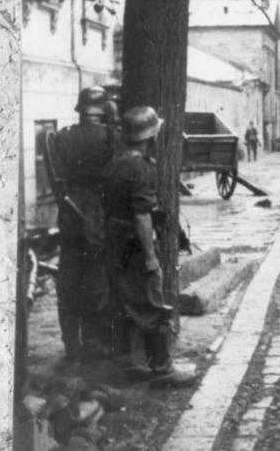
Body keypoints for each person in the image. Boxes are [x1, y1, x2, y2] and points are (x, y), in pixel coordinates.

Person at [104, 106, 197, 387]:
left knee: (121, 304)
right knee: (152, 303)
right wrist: (150, 257)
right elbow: (141, 215)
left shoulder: (115, 163)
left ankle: (124, 364)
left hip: (114, 244)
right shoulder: (142, 168)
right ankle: (162, 369)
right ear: (150, 137)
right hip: (134, 247)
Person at [52, 85, 119, 366]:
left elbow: (58, 173)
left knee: (67, 279)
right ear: (104, 109)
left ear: (80, 109)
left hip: (69, 214)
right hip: (96, 214)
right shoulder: (111, 137)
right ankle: (92, 342)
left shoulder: (62, 136)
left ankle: (71, 347)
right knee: (95, 280)